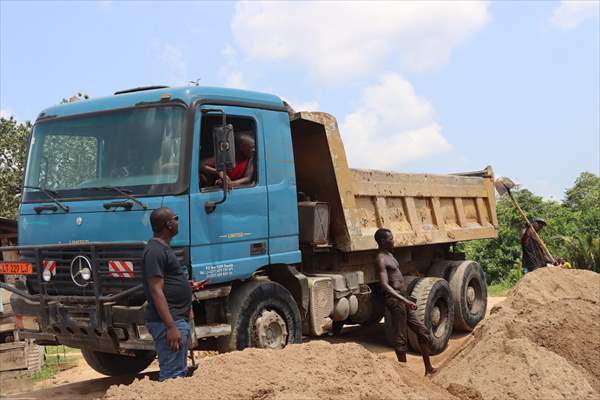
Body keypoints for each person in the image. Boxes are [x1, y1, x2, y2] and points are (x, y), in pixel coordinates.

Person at [142, 207, 206, 381]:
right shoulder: (155, 251)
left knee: (178, 372)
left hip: (176, 318)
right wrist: (171, 327)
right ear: (169, 224)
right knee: (173, 376)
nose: (178, 222)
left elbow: (166, 282)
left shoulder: (163, 248)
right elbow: (156, 290)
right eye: (176, 218)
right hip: (169, 321)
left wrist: (187, 286)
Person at [374, 228, 438, 377]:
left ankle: (428, 369)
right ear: (383, 242)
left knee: (423, 331)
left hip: (402, 298)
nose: (393, 241)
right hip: (395, 300)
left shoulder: (390, 255)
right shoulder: (380, 259)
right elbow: (384, 285)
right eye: (391, 239)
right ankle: (405, 377)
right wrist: (403, 300)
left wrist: (405, 298)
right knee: (401, 338)